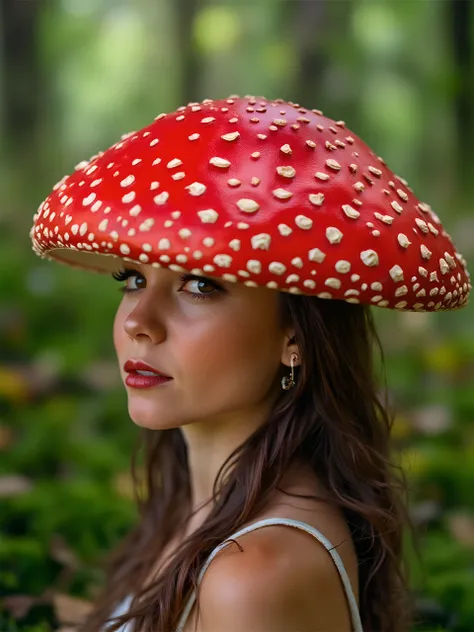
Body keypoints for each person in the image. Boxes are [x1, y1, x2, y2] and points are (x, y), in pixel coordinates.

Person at [30, 95, 470, 632]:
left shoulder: (256, 578)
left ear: (296, 338)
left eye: (200, 286)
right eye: (134, 279)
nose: (137, 321)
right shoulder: (198, 508)